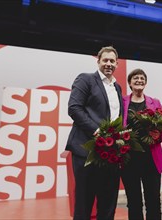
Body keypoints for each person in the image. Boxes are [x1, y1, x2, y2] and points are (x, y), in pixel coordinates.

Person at [65, 46, 123, 220]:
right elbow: (74, 108)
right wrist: (97, 132)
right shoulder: (86, 79)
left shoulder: (117, 87)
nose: (108, 64)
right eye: (105, 60)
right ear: (98, 61)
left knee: (108, 201)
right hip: (86, 150)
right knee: (84, 201)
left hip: (111, 152)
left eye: (112, 61)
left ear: (117, 64)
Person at [121, 68, 162, 220]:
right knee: (133, 202)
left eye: (142, 78)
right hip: (129, 160)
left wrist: (158, 135)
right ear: (130, 83)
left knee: (153, 200)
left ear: (145, 83)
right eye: (135, 78)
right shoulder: (122, 103)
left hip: (151, 160)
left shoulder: (155, 102)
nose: (139, 80)